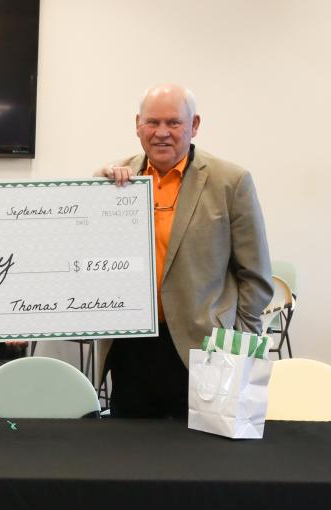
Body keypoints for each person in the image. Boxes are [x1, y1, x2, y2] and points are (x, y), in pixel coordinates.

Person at [97, 84, 272, 418]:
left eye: (174, 123)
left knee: (202, 460)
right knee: (131, 455)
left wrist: (240, 347)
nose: (162, 133)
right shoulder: (115, 179)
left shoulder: (230, 181)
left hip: (205, 347)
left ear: (194, 126)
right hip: (132, 347)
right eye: (153, 122)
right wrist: (95, 189)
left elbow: (256, 274)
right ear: (138, 125)